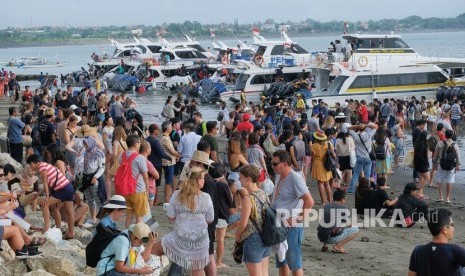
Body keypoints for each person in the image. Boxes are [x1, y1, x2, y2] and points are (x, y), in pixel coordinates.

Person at [151, 167, 214, 276]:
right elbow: (210, 219)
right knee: (198, 268)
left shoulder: (177, 194)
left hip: (179, 238)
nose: (205, 180)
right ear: (199, 181)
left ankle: (153, 272)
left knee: (153, 250)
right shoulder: (206, 197)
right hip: (200, 240)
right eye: (204, 178)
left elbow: (171, 217)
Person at [271, 150, 314, 276]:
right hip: (279, 224)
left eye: (275, 163)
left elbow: (309, 201)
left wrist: (298, 219)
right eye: (271, 163)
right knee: (281, 260)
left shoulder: (295, 178)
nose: (272, 166)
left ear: (285, 163)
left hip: (292, 227)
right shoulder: (279, 175)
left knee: (294, 264)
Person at [28, 154, 75, 239]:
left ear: (32, 163)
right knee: (69, 212)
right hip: (68, 187)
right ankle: (70, 233)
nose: (30, 167)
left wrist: (47, 196)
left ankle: (47, 227)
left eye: (30, 165)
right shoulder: (46, 165)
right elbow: (50, 184)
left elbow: (45, 184)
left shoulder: (42, 168)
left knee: (45, 204)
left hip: (62, 189)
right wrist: (38, 194)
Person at [236, 165, 271, 275]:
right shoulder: (263, 193)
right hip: (265, 236)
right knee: (264, 272)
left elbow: (243, 223)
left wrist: (238, 236)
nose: (239, 180)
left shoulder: (248, 198)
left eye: (240, 177)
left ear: (248, 179)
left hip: (253, 238)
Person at [408, 208, 465, 276]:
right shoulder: (455, 250)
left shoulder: (417, 251)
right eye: (452, 225)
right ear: (444, 229)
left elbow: (411, 274)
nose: (453, 228)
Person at [120, 134, 150, 228]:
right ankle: (138, 238)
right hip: (139, 190)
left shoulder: (122, 155)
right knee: (139, 217)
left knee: (129, 216)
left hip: (126, 190)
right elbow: (145, 176)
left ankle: (126, 235)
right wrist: (147, 189)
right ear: (136, 144)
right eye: (139, 142)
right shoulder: (140, 157)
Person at [318, 189, 359, 254]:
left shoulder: (326, 205)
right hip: (330, 237)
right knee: (355, 229)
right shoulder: (343, 208)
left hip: (320, 236)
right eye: (345, 199)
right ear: (342, 200)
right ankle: (338, 246)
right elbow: (349, 224)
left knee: (328, 223)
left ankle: (325, 245)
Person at [209, 163, 234, 269]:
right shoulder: (223, 185)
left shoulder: (207, 183)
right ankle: (218, 262)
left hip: (210, 215)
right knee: (220, 240)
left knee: (210, 238)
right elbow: (230, 201)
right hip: (221, 215)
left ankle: (209, 260)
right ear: (223, 173)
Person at [347, 122, 377, 194]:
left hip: (359, 157)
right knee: (367, 174)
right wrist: (365, 125)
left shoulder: (355, 135)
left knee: (356, 174)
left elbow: (348, 128)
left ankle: (351, 190)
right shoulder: (368, 134)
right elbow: (375, 126)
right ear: (365, 129)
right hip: (368, 157)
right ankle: (367, 188)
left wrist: (358, 126)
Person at [433, 129, 461, 203]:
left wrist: (434, 164)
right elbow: (457, 156)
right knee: (450, 180)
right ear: (452, 136)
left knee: (440, 180)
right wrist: (458, 165)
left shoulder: (440, 143)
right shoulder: (455, 145)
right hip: (451, 165)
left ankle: (441, 197)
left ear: (445, 135)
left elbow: (435, 155)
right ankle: (447, 198)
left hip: (441, 164)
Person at [311, 130, 334, 205]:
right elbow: (333, 154)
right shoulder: (328, 144)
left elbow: (312, 157)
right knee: (327, 183)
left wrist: (311, 166)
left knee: (320, 183)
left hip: (318, 163)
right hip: (327, 164)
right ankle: (330, 200)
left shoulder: (314, 145)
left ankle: (323, 201)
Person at [160, 121, 180, 203]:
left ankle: (168, 197)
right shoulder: (166, 138)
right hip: (168, 162)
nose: (172, 128)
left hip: (168, 161)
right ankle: (167, 198)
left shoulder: (165, 137)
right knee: (169, 181)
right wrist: (178, 155)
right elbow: (172, 151)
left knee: (169, 180)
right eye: (171, 127)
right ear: (167, 128)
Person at [335, 123, 354, 187]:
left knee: (340, 172)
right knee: (349, 172)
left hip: (341, 157)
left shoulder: (337, 140)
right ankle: (349, 186)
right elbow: (353, 148)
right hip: (349, 157)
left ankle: (338, 185)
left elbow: (336, 150)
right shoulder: (350, 139)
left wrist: (337, 159)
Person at [413, 131, 430, 199]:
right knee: (427, 178)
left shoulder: (418, 143)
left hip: (418, 163)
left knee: (421, 178)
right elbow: (420, 156)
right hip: (421, 164)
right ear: (424, 137)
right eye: (427, 136)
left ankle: (420, 193)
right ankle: (417, 192)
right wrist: (425, 162)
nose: (427, 137)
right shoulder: (421, 145)